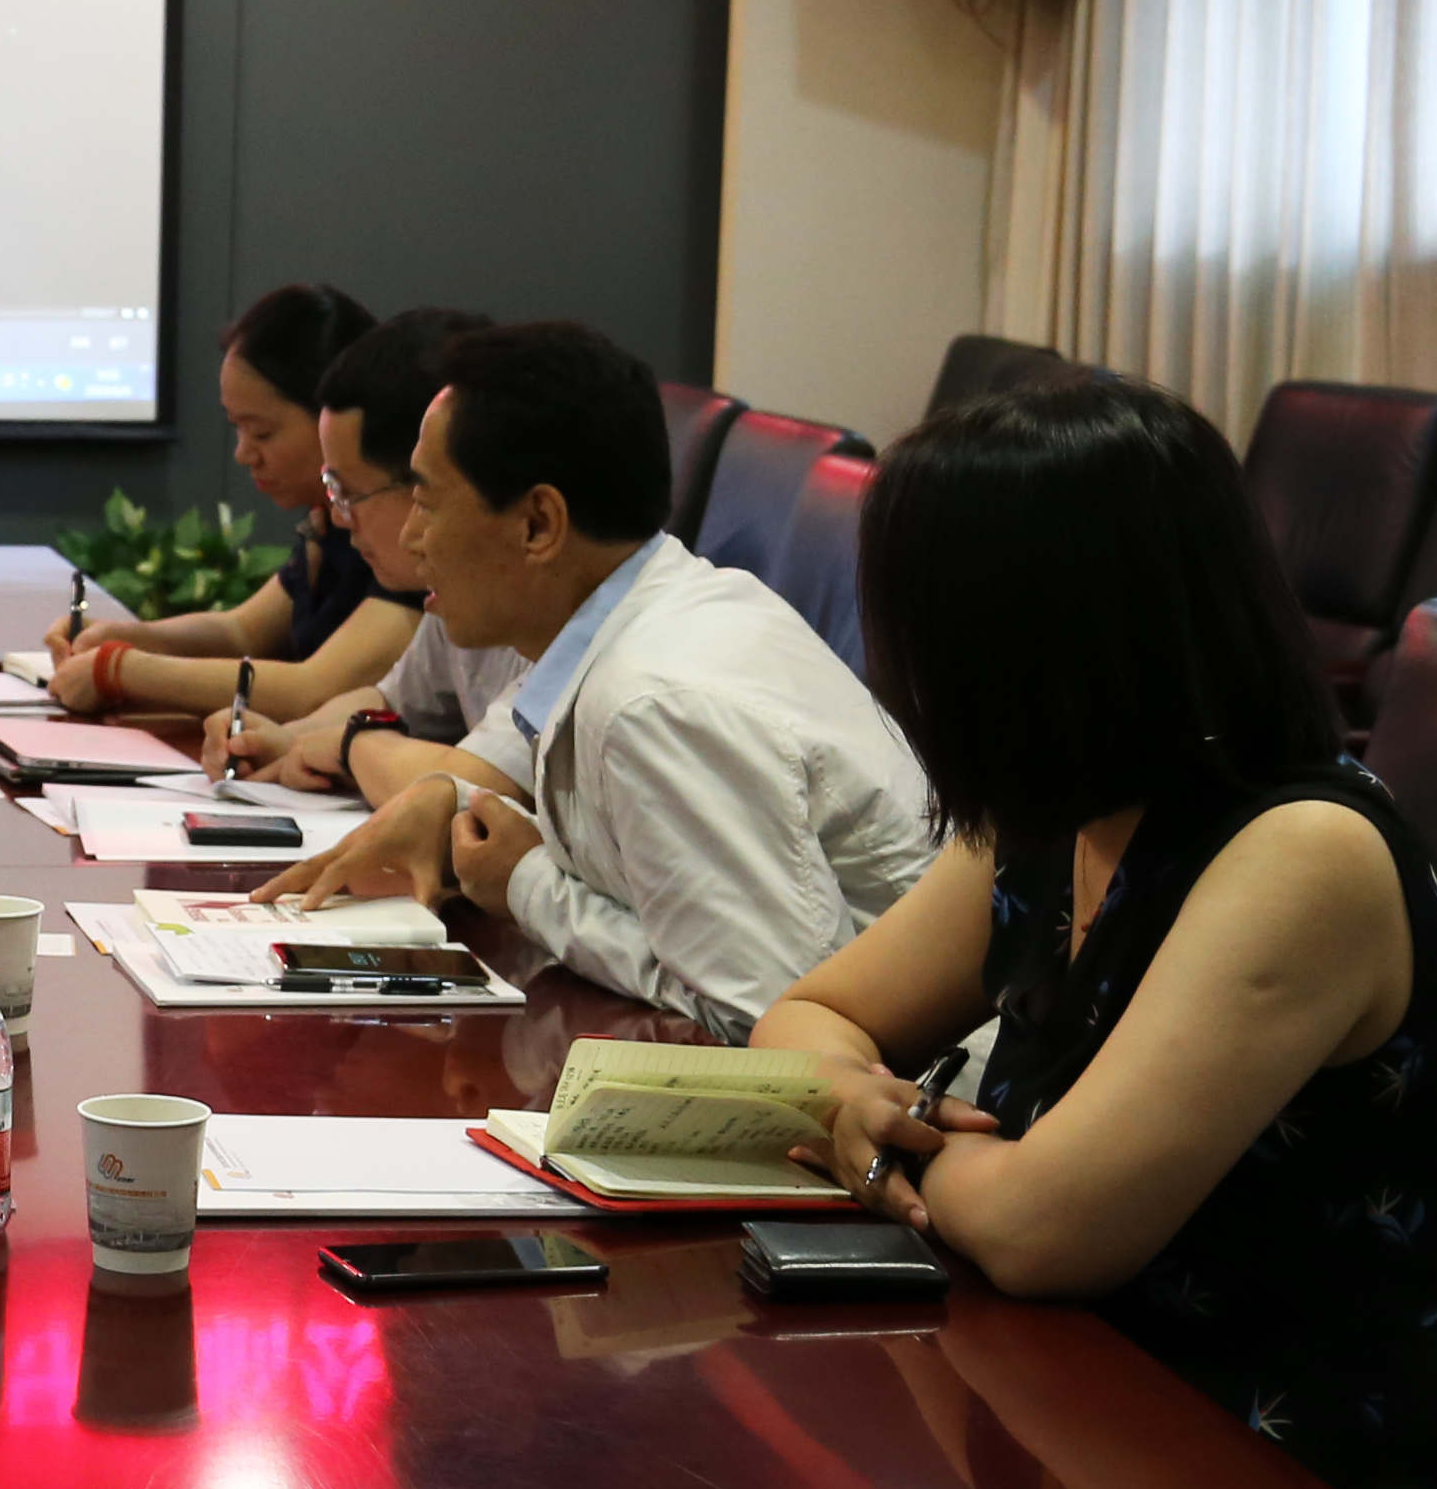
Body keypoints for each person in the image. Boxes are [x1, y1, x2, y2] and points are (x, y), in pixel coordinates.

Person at [749, 372, 1437, 1489]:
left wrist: (874, 1141)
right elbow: (809, 1017)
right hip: (1090, 1425)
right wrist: (851, 1099)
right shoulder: (1057, 809)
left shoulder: (1302, 857)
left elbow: (1041, 1234)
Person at [257, 319, 935, 1036]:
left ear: (538, 525)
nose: (411, 537)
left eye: (427, 502)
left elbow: (763, 1016)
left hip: (926, 1083)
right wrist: (473, 821)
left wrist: (529, 887)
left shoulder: (654, 704)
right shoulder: (652, 615)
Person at [46, 284, 422, 729]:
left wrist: (120, 669)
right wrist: (126, 637)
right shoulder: (329, 523)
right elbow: (241, 631)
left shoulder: (401, 536)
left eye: (262, 433)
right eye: (237, 429)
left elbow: (314, 691)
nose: (243, 454)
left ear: (333, 420)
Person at [206, 308, 516, 799]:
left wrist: (350, 747)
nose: (339, 517)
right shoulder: (459, 590)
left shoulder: (569, 628)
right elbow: (391, 701)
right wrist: (285, 741)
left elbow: (482, 784)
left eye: (348, 493)